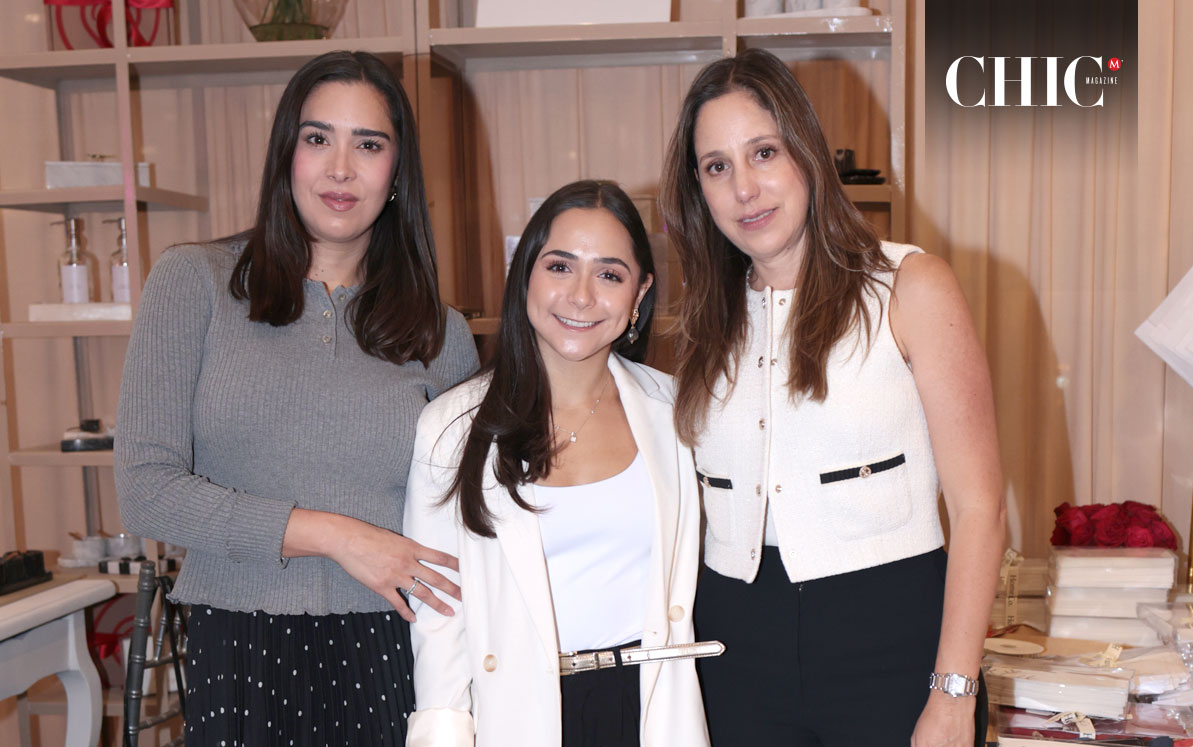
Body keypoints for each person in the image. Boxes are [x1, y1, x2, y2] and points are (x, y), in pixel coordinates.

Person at [115, 50, 478, 746]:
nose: (340, 168)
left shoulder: (442, 333)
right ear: (287, 154)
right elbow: (145, 490)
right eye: (318, 139)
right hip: (238, 648)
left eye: (368, 145)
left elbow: (464, 520)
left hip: (392, 647)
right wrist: (338, 536)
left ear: (397, 172)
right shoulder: (194, 284)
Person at [659, 48, 1005, 747]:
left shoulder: (909, 285)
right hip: (733, 652)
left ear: (808, 155)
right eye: (717, 167)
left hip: (890, 641)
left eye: (764, 152)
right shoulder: (701, 319)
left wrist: (953, 694)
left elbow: (981, 507)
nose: (745, 188)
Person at [403, 180, 712, 747]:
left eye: (610, 274)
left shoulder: (676, 413)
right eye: (560, 266)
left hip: (649, 707)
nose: (581, 296)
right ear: (526, 273)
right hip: (519, 712)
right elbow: (439, 615)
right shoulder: (451, 427)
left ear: (639, 294)